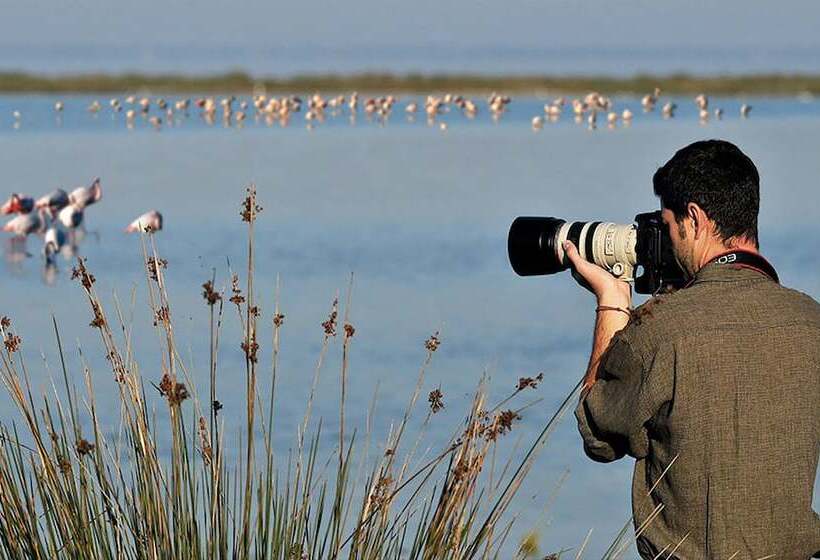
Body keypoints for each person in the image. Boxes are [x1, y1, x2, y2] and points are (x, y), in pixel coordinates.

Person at [565, 140, 820, 559]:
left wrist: (611, 302)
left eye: (667, 225)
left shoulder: (662, 329)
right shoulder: (811, 320)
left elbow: (600, 437)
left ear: (695, 219)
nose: (665, 239)